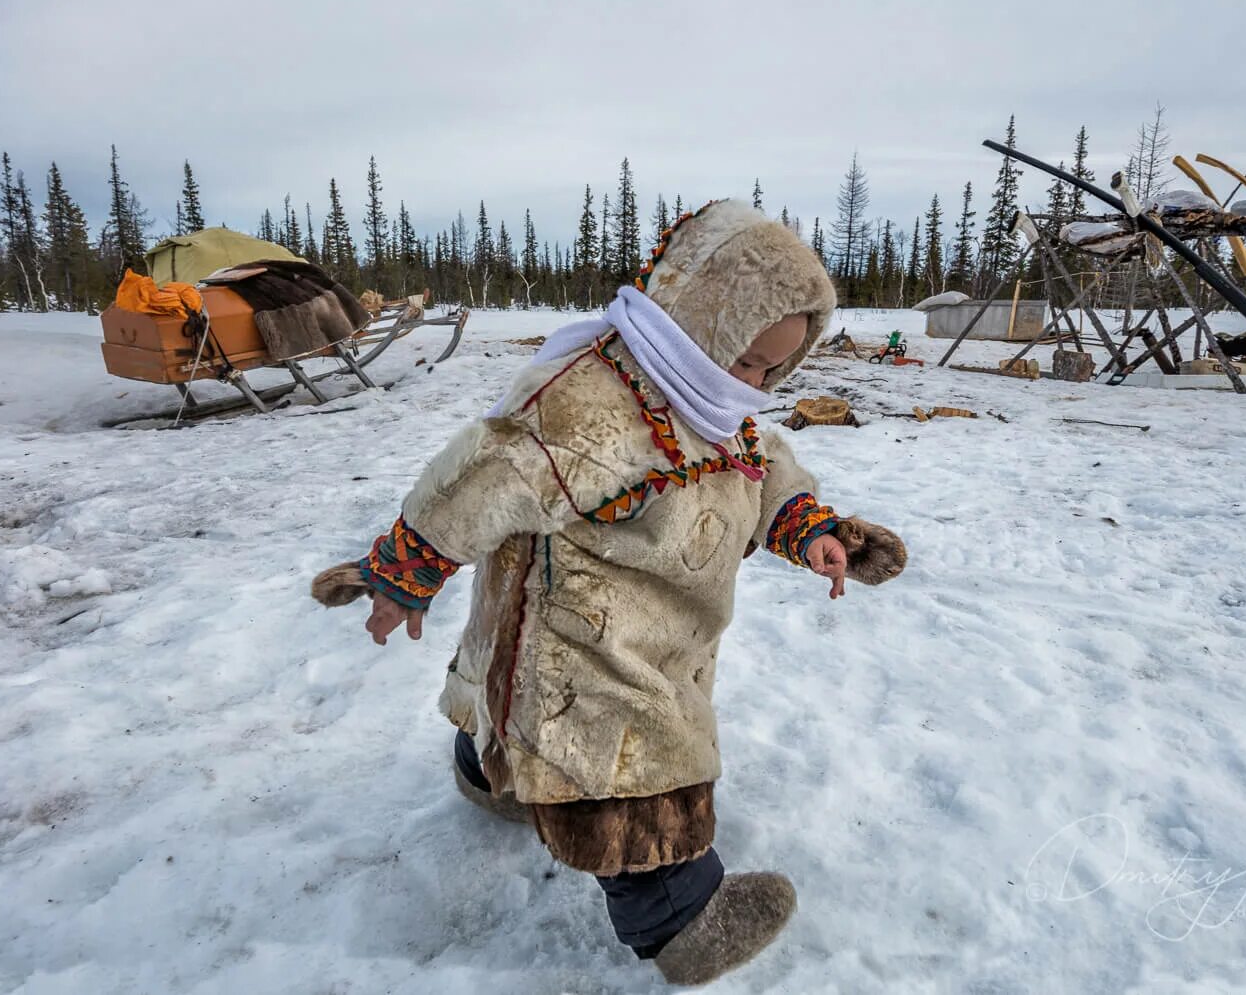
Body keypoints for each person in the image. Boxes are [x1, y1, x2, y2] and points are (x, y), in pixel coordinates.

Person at [311, 199, 906, 985]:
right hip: (585, 635)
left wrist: (810, 527)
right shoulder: (586, 408)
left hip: (668, 623)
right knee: (630, 765)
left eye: (775, 369)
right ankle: (681, 918)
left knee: (529, 718)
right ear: (700, 322)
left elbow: (767, 473)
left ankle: (492, 777)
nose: (758, 384)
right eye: (749, 360)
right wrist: (404, 572)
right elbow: (481, 478)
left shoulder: (722, 407)